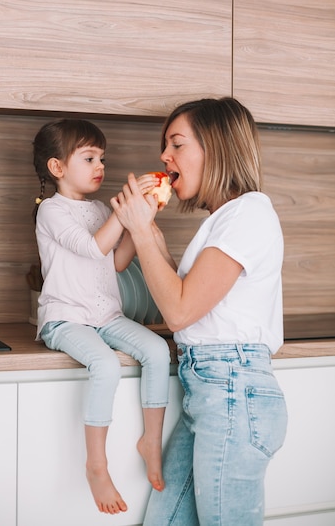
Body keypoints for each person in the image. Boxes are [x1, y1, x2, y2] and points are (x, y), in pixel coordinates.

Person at [111, 97, 288, 526]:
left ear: (217, 146)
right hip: (212, 392)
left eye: (177, 144)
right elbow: (188, 295)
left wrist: (139, 229)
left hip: (232, 389)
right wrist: (148, 230)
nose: (165, 156)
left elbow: (180, 310)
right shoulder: (226, 219)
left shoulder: (249, 213)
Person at [32, 118, 171, 516]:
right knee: (105, 365)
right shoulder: (52, 213)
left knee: (158, 351)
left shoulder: (97, 208)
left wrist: (142, 218)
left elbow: (117, 261)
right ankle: (97, 464)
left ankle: (151, 441)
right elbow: (93, 249)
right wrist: (125, 212)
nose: (100, 166)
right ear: (57, 168)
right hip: (66, 318)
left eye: (102, 159)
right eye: (90, 157)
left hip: (105, 315)